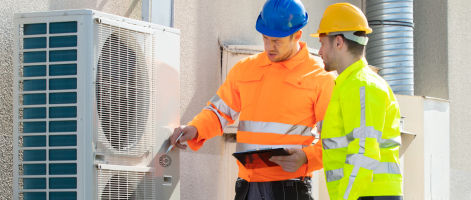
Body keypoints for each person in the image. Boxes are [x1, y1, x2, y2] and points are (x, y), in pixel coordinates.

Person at [168, 0, 335, 199]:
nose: (269, 47)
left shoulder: (320, 77)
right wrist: (195, 128)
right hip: (248, 184)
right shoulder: (245, 69)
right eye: (265, 38)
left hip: (290, 187)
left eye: (277, 41)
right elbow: (219, 111)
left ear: (297, 35)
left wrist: (307, 158)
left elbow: (333, 140)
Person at [311, 3, 403, 200]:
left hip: (365, 195)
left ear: (338, 42)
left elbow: (364, 153)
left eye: (322, 43)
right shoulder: (352, 84)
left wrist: (344, 197)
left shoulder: (361, 86)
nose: (319, 52)